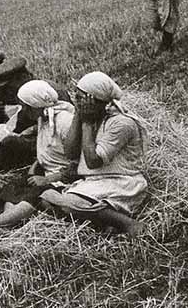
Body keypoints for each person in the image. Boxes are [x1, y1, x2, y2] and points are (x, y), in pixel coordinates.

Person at [40, 72, 148, 236]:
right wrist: (78, 115)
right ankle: (105, 223)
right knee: (46, 199)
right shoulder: (89, 118)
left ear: (98, 101)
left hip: (120, 182)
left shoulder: (122, 123)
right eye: (77, 98)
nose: (79, 103)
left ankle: (128, 223)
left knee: (69, 203)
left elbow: (93, 161)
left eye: (83, 99)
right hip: (93, 183)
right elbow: (70, 153)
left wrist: (87, 123)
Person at [0, 80, 76, 230]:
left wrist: (48, 179)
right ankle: (6, 221)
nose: (24, 111)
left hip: (64, 179)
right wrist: (37, 166)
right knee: (12, 187)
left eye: (26, 107)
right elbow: (47, 151)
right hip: (48, 171)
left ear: (35, 105)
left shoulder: (65, 122)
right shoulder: (43, 118)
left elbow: (78, 164)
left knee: (37, 193)